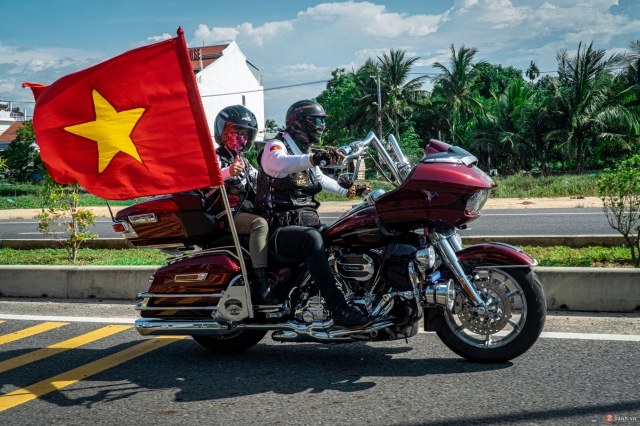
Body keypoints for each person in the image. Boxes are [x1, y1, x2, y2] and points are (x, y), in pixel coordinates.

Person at [255, 100, 371, 330]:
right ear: (298, 122)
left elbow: (321, 180)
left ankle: (360, 296)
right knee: (312, 239)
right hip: (277, 228)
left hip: (305, 222)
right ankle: (339, 309)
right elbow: (281, 163)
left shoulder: (304, 151)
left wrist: (352, 191)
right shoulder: (276, 146)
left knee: (347, 232)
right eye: (316, 121)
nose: (321, 126)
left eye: (323, 121)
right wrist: (314, 158)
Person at [207, 105, 279, 306]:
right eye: (237, 132)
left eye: (246, 133)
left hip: (245, 211)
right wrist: (229, 171)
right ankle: (261, 284)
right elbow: (209, 179)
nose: (243, 137)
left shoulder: (245, 162)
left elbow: (262, 181)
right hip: (225, 213)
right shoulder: (215, 158)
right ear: (223, 132)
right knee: (259, 224)